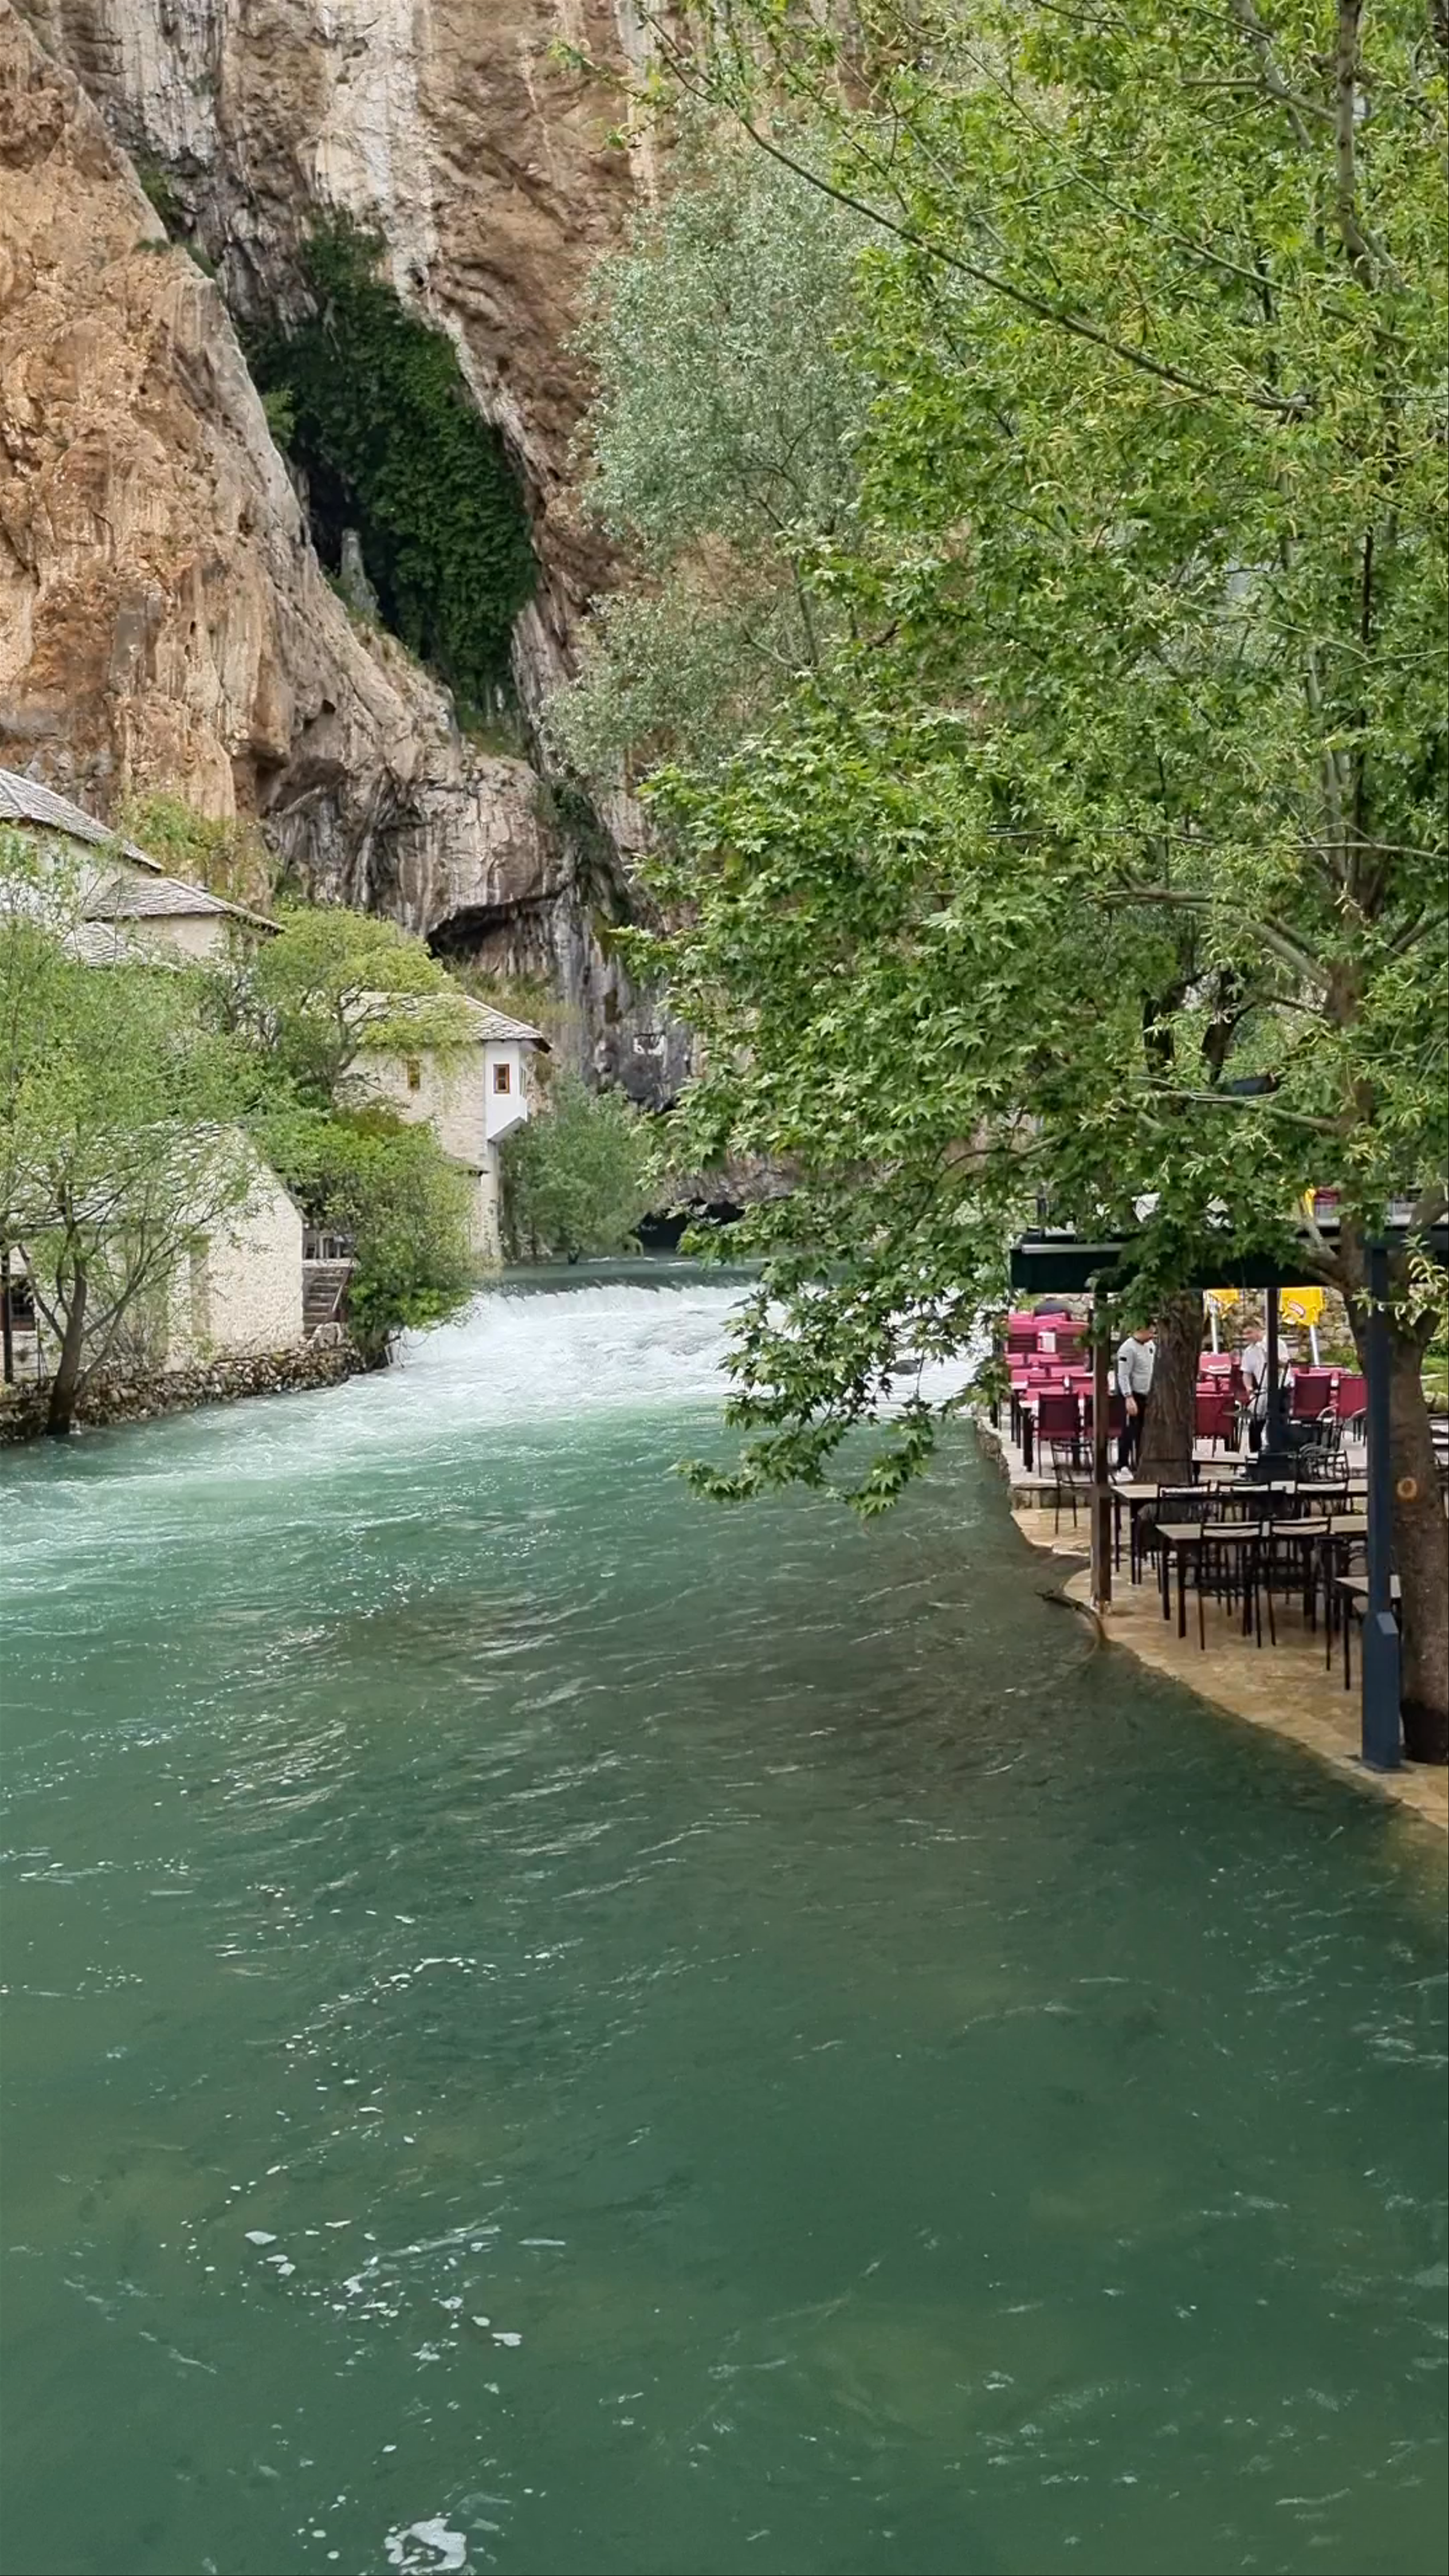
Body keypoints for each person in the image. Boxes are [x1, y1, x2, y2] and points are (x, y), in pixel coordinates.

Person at [1241, 1324, 1293, 1455]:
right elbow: (1246, 1372)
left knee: (1278, 1423)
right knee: (1256, 1423)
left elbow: (1284, 1364)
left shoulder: (1277, 1343)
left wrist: (1267, 1353)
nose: (1247, 1337)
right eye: (1245, 1334)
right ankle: (1255, 1454)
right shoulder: (1249, 1351)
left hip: (1281, 1387)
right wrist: (1249, 1387)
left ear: (1259, 1330)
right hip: (1264, 1390)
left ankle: (1279, 1454)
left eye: (1250, 1332)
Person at [1115, 1323, 1155, 1472]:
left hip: (1147, 1394)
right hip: (1133, 1395)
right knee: (1129, 1430)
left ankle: (1140, 1462)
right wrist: (1128, 1397)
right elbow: (1123, 1375)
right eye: (1150, 1330)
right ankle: (1123, 1464)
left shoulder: (1151, 1346)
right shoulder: (1128, 1349)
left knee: (1143, 1432)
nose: (1153, 1333)